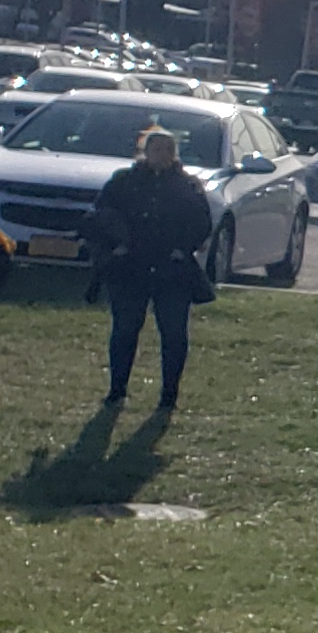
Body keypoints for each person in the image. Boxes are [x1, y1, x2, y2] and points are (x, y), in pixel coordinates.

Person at [87, 122, 216, 415]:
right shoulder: (124, 181)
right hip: (131, 266)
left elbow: (202, 222)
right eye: (156, 149)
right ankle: (116, 391)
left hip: (172, 269)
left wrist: (183, 248)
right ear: (144, 151)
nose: (162, 155)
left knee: (174, 333)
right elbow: (100, 215)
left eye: (168, 150)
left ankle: (169, 396)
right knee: (124, 330)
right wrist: (116, 245)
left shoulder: (187, 185)